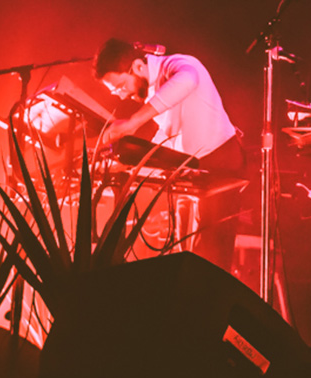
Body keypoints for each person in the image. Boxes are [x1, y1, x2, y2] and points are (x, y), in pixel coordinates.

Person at [93, 39, 246, 274]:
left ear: (138, 67)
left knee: (210, 261)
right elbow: (168, 137)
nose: (122, 95)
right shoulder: (155, 93)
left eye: (121, 86)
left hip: (220, 164)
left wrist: (133, 123)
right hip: (192, 171)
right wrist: (127, 166)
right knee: (187, 256)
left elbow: (189, 79)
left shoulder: (177, 64)